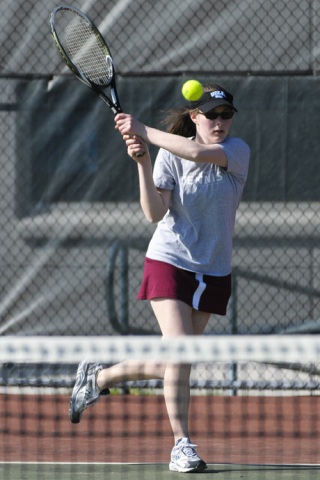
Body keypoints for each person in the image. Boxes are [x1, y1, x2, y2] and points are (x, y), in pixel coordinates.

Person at [69, 83, 250, 473]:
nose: (220, 121)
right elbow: (154, 213)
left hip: (214, 269)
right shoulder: (170, 154)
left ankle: (100, 377)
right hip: (169, 260)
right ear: (194, 116)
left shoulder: (236, 152)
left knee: (177, 360)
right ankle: (181, 446)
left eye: (225, 115)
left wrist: (143, 129)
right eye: (211, 115)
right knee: (180, 353)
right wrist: (143, 162)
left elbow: (198, 152)